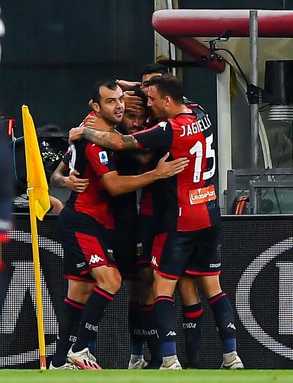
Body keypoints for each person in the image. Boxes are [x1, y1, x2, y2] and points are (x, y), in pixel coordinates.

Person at [69, 73, 244, 371]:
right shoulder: (201, 112)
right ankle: (231, 357)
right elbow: (170, 94)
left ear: (165, 100)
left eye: (151, 99)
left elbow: (122, 142)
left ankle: (170, 360)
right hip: (210, 212)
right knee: (212, 288)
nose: (147, 105)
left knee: (162, 287)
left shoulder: (169, 129)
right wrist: (134, 87)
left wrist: (84, 132)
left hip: (181, 217)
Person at [50, 79, 189, 370]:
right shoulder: (95, 139)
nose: (120, 107)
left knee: (84, 292)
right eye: (112, 103)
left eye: (120, 101)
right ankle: (80, 350)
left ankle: (60, 360)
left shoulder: (105, 133)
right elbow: (107, 184)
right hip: (84, 220)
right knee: (110, 282)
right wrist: (158, 174)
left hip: (110, 224)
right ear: (96, 106)